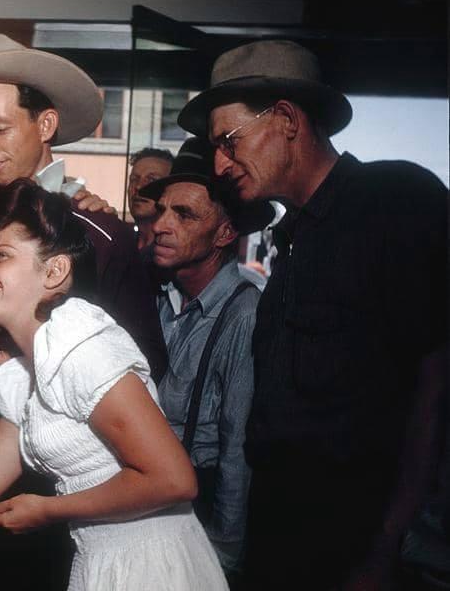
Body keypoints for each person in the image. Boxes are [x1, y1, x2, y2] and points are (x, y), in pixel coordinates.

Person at [178, 39, 449, 589]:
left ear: (285, 119)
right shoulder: (290, 238)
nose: (220, 164)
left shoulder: (395, 200)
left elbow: (436, 387)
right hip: (280, 537)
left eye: (229, 142)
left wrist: (386, 549)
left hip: (357, 544)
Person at [0, 180, 227, 591]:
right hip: (101, 561)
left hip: (152, 566)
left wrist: (49, 509)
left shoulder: (83, 346)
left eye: (1, 256)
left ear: (55, 271)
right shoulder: (30, 372)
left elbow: (174, 479)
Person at [0, 33, 168, 425]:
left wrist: (36, 366)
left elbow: (144, 358)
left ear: (45, 124)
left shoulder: (102, 234)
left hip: (54, 444)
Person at [139, 136, 273, 582]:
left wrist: (224, 558)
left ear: (225, 233)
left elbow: (239, 449)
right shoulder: (155, 297)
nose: (161, 224)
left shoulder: (244, 312)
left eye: (184, 214)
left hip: (198, 515)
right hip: (141, 505)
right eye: (161, 210)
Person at [127, 146, 174, 250]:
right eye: (134, 179)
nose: (138, 186)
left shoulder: (172, 251)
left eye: (152, 180)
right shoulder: (121, 243)